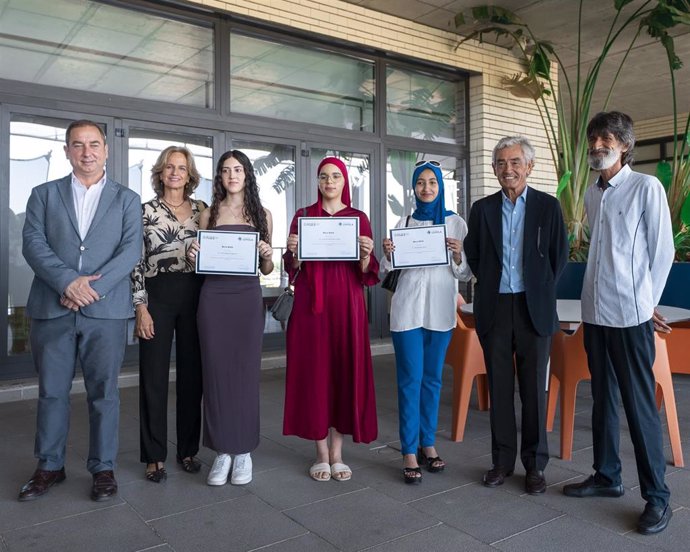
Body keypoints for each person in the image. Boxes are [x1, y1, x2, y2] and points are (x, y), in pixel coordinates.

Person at [562, 111, 675, 535]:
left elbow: (661, 253)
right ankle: (607, 476)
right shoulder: (593, 193)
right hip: (596, 313)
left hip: (630, 317)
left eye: (606, 139)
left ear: (624, 145)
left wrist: (646, 305)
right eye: (593, 140)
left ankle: (658, 498)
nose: (597, 146)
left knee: (639, 405)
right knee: (603, 398)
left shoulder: (647, 187)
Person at [19, 120, 142, 502]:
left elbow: (130, 252)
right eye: (77, 145)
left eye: (93, 144)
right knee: (51, 391)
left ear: (106, 149)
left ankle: (103, 468)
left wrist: (90, 289)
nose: (86, 152)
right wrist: (67, 282)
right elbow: (33, 244)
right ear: (67, 151)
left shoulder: (127, 199)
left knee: (104, 393)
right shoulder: (43, 194)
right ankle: (49, 465)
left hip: (104, 311)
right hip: (52, 307)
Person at [464, 136, 568, 495]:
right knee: (500, 389)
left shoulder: (548, 207)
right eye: (501, 163)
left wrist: (538, 286)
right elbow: (474, 255)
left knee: (533, 390)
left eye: (514, 162)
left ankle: (535, 466)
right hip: (495, 306)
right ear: (494, 169)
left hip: (532, 307)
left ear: (529, 167)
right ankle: (502, 462)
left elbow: (559, 257)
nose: (508, 169)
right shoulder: (482, 209)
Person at [283, 156, 379, 482]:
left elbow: (366, 273)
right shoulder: (304, 216)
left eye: (335, 176)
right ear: (318, 181)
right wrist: (293, 251)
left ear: (344, 181)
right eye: (323, 176)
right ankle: (321, 453)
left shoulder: (358, 218)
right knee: (316, 374)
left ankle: (338, 453)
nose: (329, 182)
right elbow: (292, 268)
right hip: (312, 306)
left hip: (347, 306)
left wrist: (365, 255)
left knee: (343, 372)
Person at [380, 160, 472, 484]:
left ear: (441, 186)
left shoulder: (457, 223)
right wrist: (387, 251)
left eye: (432, 182)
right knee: (410, 380)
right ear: (414, 188)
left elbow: (465, 273)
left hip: (439, 313)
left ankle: (427, 443)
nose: (427, 188)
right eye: (421, 183)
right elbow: (384, 269)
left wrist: (460, 254)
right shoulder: (404, 221)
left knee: (432, 380)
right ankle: (408, 449)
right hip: (406, 313)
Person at [188, 150, 273, 487]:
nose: (232, 175)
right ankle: (223, 451)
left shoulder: (262, 213)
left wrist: (267, 254)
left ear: (247, 175)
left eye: (238, 170)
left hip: (247, 298)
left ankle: (244, 452)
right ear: (220, 177)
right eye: (225, 171)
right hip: (213, 298)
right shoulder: (208, 214)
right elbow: (200, 263)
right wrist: (193, 253)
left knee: (245, 373)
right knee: (216, 374)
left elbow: (266, 270)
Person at [131, 146, 207, 483]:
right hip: (157, 296)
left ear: (190, 175)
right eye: (169, 167)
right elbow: (135, 261)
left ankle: (188, 450)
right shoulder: (144, 211)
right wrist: (140, 307)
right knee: (154, 377)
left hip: (196, 296)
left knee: (193, 377)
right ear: (160, 173)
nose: (175, 172)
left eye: (182, 167)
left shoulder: (204, 210)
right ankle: (154, 456)